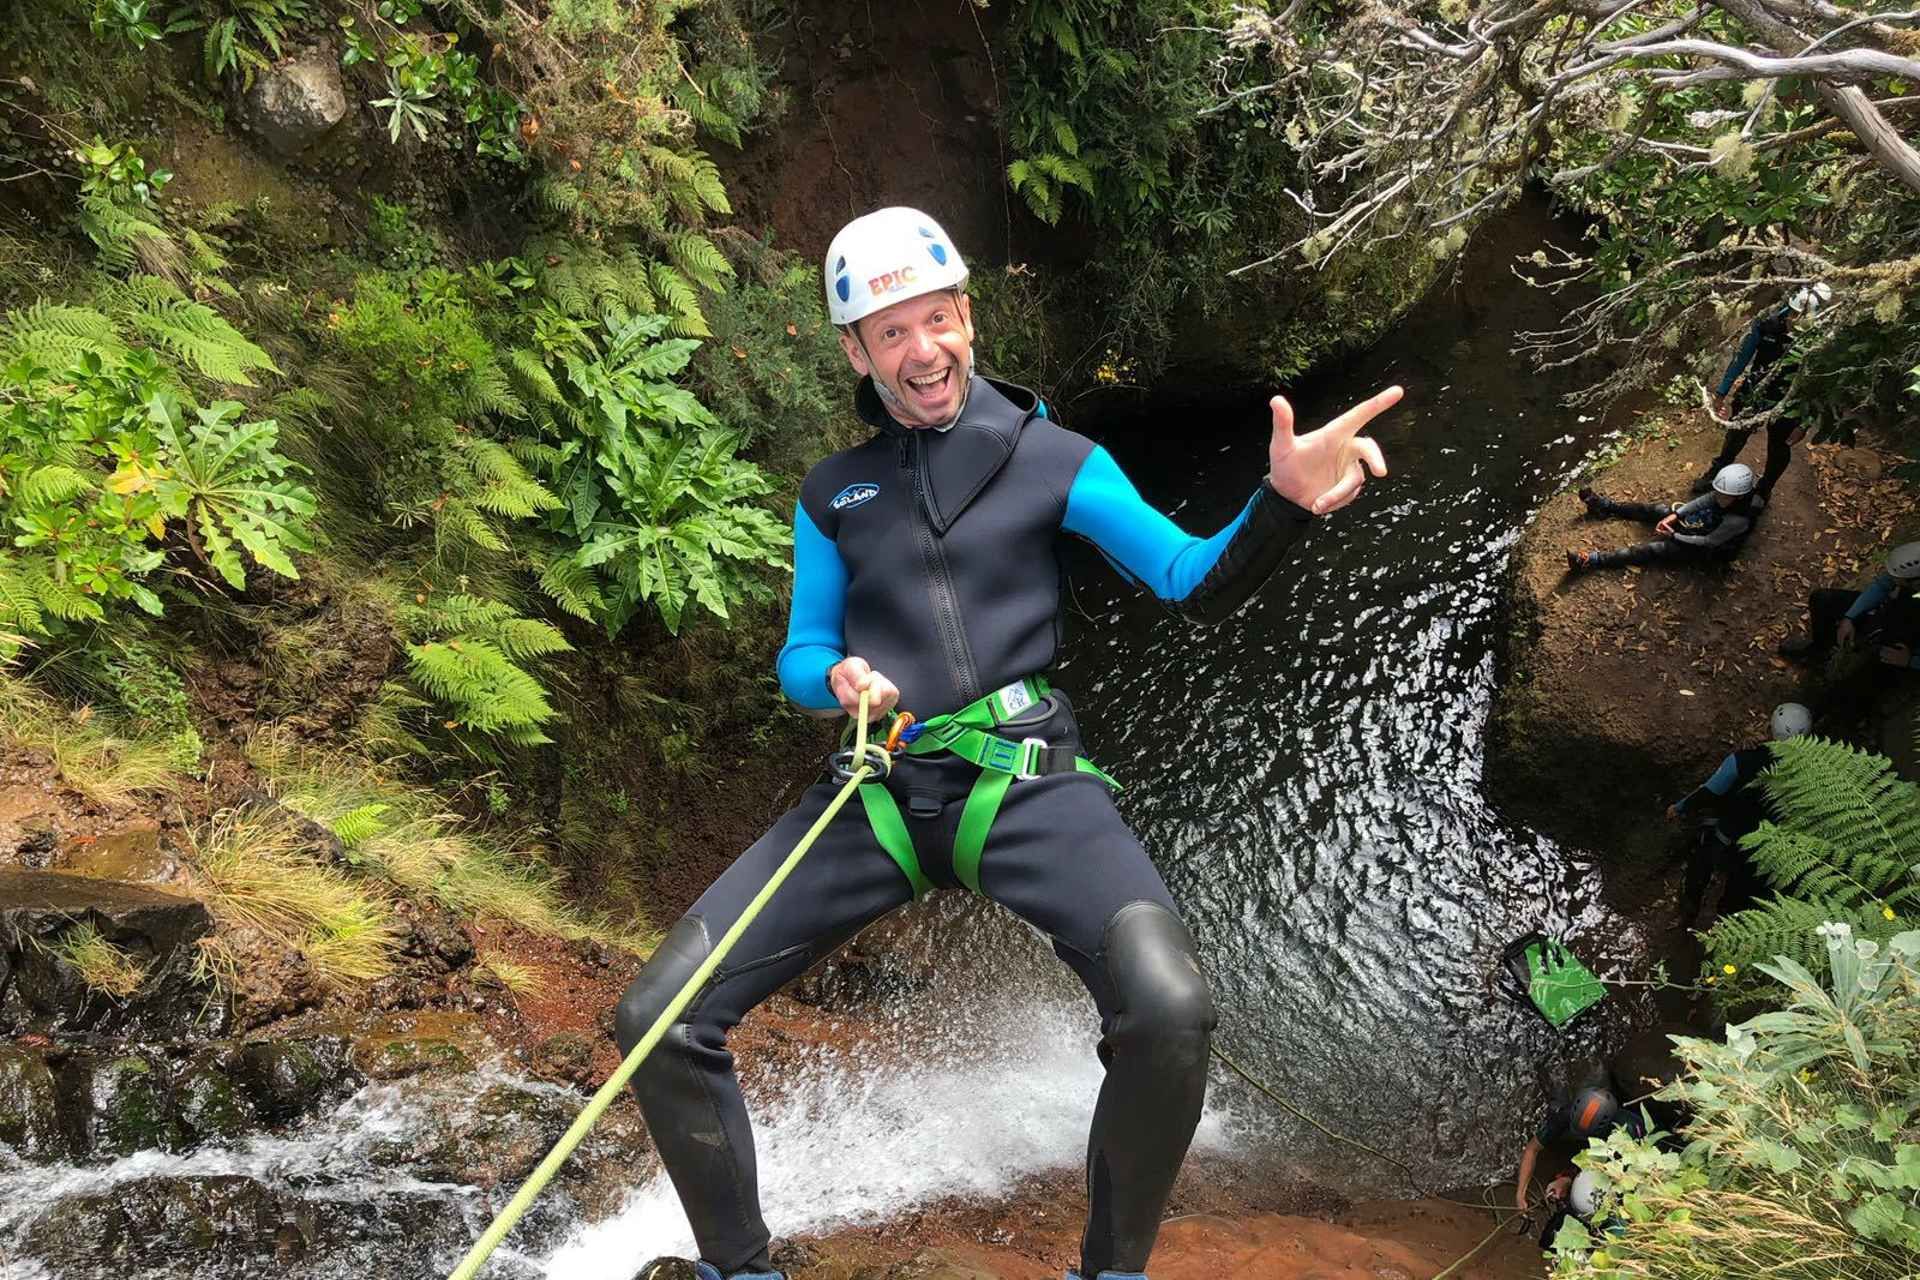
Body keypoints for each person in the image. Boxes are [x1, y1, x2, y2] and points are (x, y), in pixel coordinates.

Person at [612, 207, 1401, 1280]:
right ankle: (741, 1271)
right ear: (856, 352)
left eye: (936, 319)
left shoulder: (1056, 459)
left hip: (1024, 778)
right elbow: (802, 652)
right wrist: (836, 678)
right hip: (881, 784)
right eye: (891, 332)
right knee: (659, 1016)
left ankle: (1108, 1274)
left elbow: (1188, 577)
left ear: (968, 318)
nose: (922, 350)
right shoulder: (835, 493)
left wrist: (1282, 503)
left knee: (1169, 1010)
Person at [1665, 702, 1811, 928]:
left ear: (1771, 727)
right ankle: (1725, 924)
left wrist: (1679, 808)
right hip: (1768, 847)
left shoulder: (1743, 760)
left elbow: (1709, 792)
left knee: (1700, 864)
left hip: (1729, 835)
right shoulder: (1810, 773)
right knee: (1740, 892)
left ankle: (1689, 911)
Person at [1692, 283, 1832, 506]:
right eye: (1793, 314)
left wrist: (1805, 422)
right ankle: (1717, 471)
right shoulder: (1767, 323)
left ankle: (1764, 489)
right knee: (1736, 433)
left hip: (1790, 399)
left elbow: (1820, 382)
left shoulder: (1821, 337)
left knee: (1779, 446)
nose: (1795, 320)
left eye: (1801, 316)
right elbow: (1741, 358)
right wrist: (1721, 393)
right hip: (1755, 389)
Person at [1564, 463, 1758, 573]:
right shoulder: (1725, 497)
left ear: (1739, 497)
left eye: (1724, 495)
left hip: (1702, 547)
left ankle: (1592, 561)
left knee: (1651, 549)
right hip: (1701, 524)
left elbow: (1708, 542)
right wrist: (1675, 515)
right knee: (1654, 510)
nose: (1718, 497)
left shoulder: (1737, 520)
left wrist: (1674, 536)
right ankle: (1607, 507)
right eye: (1718, 492)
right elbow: (1705, 500)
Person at [1514, 1066, 1645, 1214]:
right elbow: (1532, 1149)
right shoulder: (1568, 1113)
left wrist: (1567, 1179)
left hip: (1627, 1156)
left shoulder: (1625, 1133)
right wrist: (1520, 1194)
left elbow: (1612, 1174)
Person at [1778, 541, 1920, 669]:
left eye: (1899, 580)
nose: (1894, 582)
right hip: (1888, 614)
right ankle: (1820, 652)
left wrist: (1910, 661)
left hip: (1908, 641)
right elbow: (1882, 586)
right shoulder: (1909, 576)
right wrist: (1850, 617)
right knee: (1822, 599)